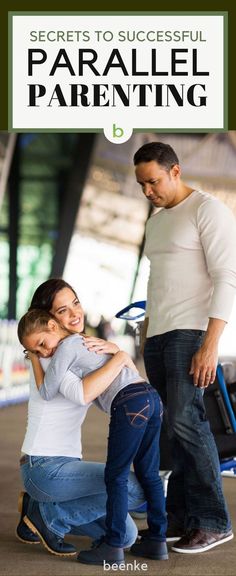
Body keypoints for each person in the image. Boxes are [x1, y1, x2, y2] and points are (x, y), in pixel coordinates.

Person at [133, 141, 236, 554]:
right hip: (158, 335)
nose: (147, 192)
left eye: (153, 181)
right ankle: (178, 518)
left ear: (175, 171)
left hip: (191, 333)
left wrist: (211, 344)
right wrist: (147, 334)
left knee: (186, 422)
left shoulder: (207, 210)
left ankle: (213, 520)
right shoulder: (156, 222)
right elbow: (156, 282)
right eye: (141, 184)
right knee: (168, 431)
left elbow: (228, 276)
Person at [17, 307, 168, 565]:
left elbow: (48, 390)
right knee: (149, 476)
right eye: (36, 351)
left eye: (41, 345)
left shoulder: (66, 348)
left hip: (130, 403)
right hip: (150, 398)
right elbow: (126, 368)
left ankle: (110, 546)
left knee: (117, 477)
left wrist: (32, 359)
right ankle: (157, 541)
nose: (43, 353)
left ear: (53, 327)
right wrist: (118, 354)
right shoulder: (86, 346)